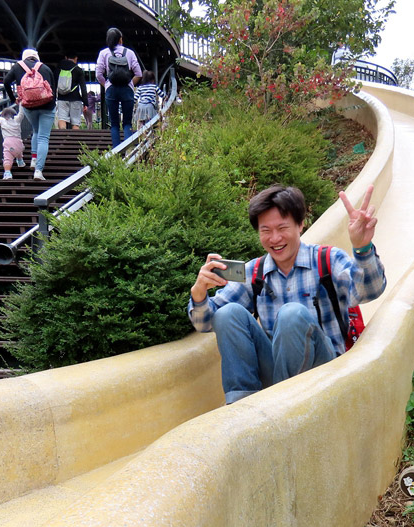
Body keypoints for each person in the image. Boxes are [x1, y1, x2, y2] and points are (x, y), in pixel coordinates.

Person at [188, 185, 386, 404]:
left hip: (326, 372)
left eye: (282, 228)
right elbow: (207, 322)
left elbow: (369, 291)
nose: (275, 238)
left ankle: (281, 407)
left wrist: (362, 248)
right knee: (227, 314)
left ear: (300, 224)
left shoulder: (326, 260)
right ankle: (240, 408)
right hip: (278, 375)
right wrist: (198, 294)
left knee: (292, 315)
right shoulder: (254, 273)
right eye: (266, 230)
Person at [3, 48, 55, 180]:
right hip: (47, 106)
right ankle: (38, 171)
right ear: (36, 57)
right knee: (43, 137)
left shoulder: (17, 67)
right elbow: (53, 90)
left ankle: (33, 159)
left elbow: (6, 82)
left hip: (28, 106)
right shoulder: (45, 68)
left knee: (35, 131)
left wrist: (12, 98)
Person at [94, 27, 142, 148]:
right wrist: (131, 84)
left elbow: (98, 74)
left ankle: (117, 153)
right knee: (127, 122)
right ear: (120, 39)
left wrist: (107, 85)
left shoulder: (104, 53)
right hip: (127, 89)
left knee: (114, 123)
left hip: (111, 89)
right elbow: (139, 74)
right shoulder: (129, 53)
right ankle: (128, 151)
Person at [0, 105, 26, 179]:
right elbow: (21, 113)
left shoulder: (2, 120)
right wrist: (21, 104)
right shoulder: (17, 119)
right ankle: (20, 161)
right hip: (19, 143)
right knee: (18, 150)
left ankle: (7, 173)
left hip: (9, 143)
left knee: (8, 158)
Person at [56, 53, 87, 130]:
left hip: (61, 98)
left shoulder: (58, 68)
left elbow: (54, 84)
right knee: (75, 123)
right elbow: (83, 88)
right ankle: (74, 140)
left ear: (66, 57)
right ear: (76, 58)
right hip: (75, 98)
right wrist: (85, 103)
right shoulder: (78, 70)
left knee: (62, 119)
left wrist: (53, 99)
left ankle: (63, 138)